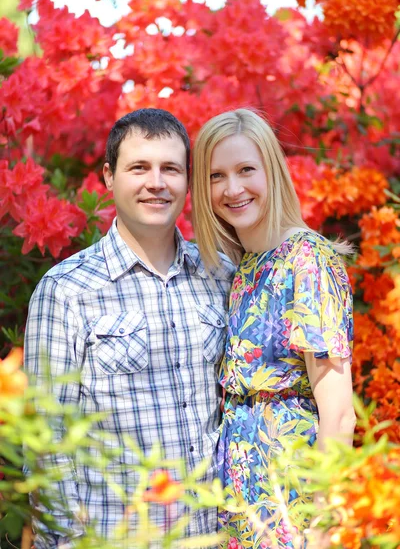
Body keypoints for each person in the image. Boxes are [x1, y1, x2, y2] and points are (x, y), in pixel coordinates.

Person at [24, 108, 235, 548]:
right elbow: (46, 444)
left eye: (170, 169)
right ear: (109, 176)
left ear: (187, 181)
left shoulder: (221, 275)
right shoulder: (67, 291)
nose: (156, 182)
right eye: (139, 167)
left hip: (215, 537)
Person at [191, 108, 355, 548]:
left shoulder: (307, 260)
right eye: (215, 176)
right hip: (242, 504)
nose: (232, 188)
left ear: (273, 171)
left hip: (292, 502)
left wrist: (322, 528)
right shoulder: (243, 268)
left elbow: (339, 415)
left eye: (246, 170)